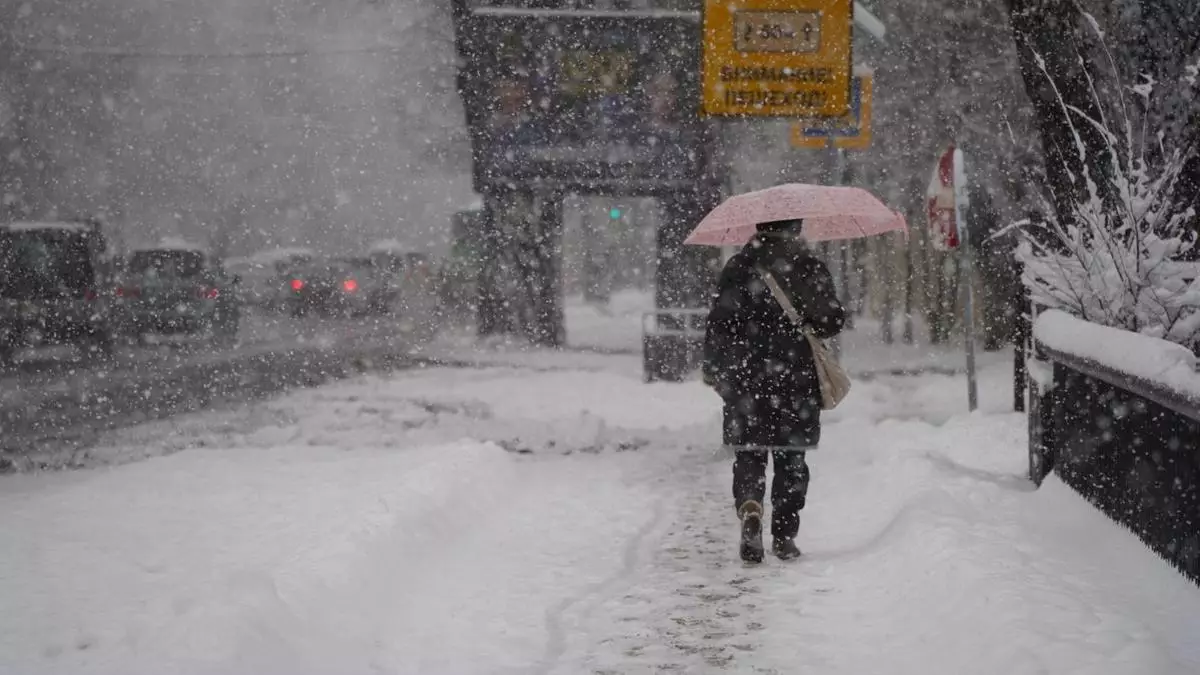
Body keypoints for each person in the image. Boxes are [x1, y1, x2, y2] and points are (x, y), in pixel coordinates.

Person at [702, 219, 846, 563]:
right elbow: (831, 321)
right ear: (796, 228)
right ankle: (784, 534)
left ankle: (750, 506)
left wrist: (714, 368)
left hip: (745, 376)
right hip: (795, 376)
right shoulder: (808, 266)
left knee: (749, 452)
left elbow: (719, 322)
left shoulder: (739, 266)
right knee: (791, 457)